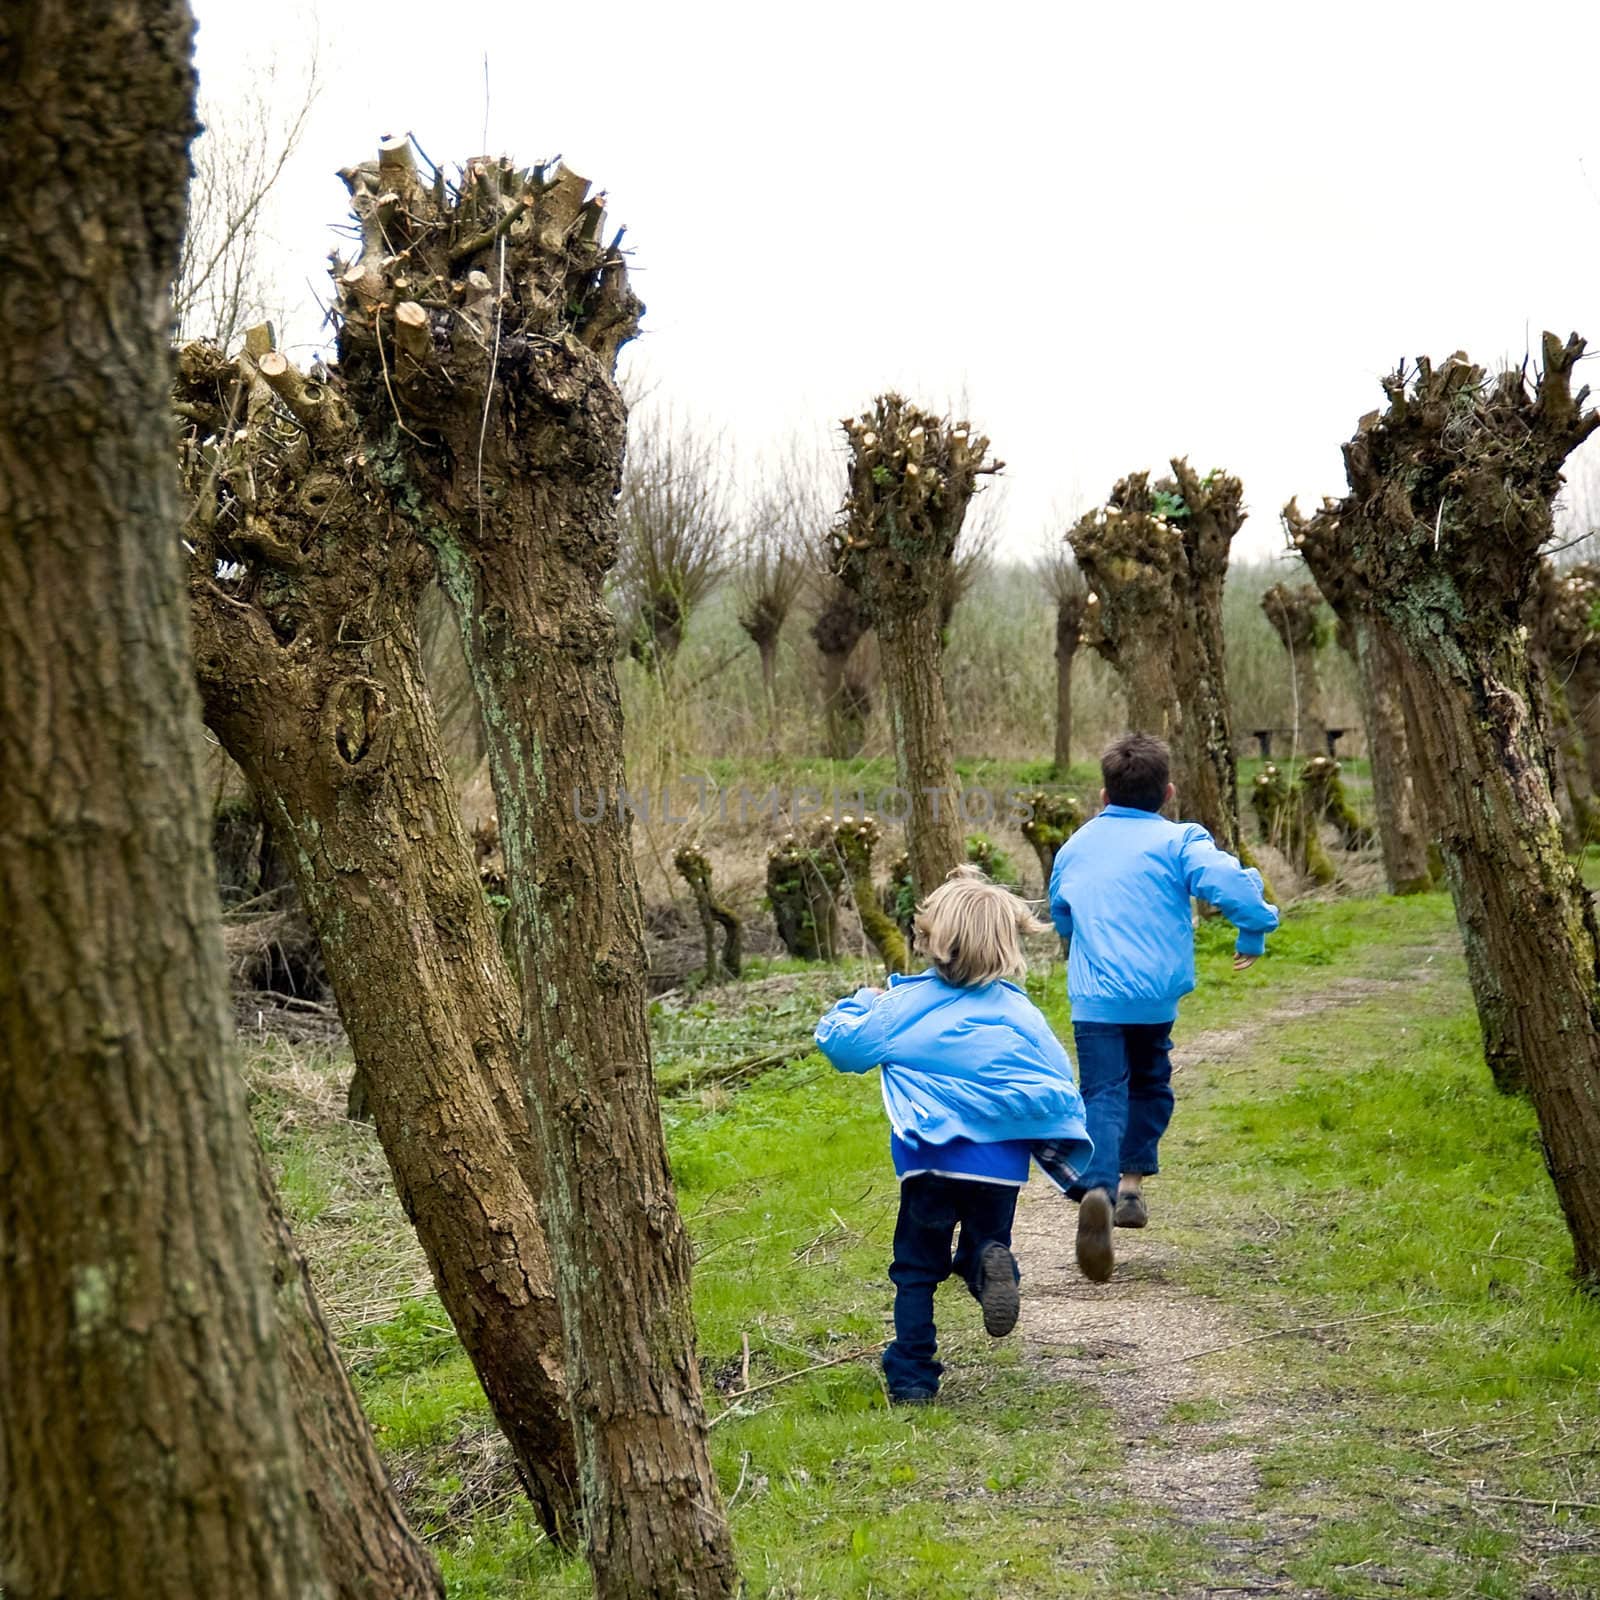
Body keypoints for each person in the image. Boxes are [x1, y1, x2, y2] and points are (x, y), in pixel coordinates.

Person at [814, 866, 1091, 1405]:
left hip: (930, 1160)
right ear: (1007, 943)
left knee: (915, 1269)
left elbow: (841, 1046)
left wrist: (860, 1001)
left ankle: (913, 1375)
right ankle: (993, 1264)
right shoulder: (1019, 1010)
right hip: (999, 1165)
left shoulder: (904, 1005)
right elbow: (1057, 1076)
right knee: (988, 1237)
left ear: (929, 940)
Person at [1049, 732, 1278, 1284]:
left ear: (1103, 797)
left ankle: (1097, 1188)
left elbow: (1062, 913)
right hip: (1154, 997)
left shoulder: (1075, 845)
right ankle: (1130, 1187)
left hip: (1096, 996)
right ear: (1168, 793)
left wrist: (1080, 935)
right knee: (1150, 1084)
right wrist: (1254, 927)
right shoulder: (1180, 841)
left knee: (1102, 1091)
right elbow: (1227, 883)